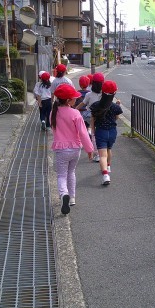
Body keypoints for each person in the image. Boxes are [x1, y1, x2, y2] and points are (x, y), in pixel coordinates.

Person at [50, 84, 94, 214]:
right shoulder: (75, 113)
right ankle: (72, 197)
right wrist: (89, 150)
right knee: (71, 172)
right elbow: (83, 133)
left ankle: (64, 194)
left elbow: (54, 129)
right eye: (74, 98)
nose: (76, 99)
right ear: (68, 100)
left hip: (61, 149)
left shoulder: (53, 113)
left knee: (61, 175)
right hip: (75, 149)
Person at [90, 80, 122, 186]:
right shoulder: (116, 107)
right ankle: (108, 166)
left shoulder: (95, 105)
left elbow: (92, 119)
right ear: (114, 93)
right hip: (112, 131)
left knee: (102, 155)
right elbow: (116, 118)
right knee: (109, 149)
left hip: (100, 131)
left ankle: (105, 175)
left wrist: (92, 130)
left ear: (102, 91)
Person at [76, 72, 104, 162]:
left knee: (94, 135)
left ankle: (97, 154)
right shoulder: (104, 94)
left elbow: (82, 103)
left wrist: (74, 110)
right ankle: (104, 154)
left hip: (93, 118)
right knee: (101, 135)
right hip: (103, 117)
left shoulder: (89, 94)